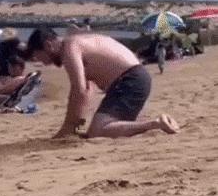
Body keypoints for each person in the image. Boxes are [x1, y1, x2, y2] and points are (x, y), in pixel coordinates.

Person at [26, 28, 180, 139]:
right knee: (104, 126)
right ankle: (148, 125)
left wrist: (67, 127)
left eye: (39, 57)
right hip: (133, 78)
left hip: (130, 80)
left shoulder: (70, 49)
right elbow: (87, 90)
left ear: (48, 45)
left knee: (98, 131)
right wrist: (74, 124)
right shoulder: (79, 41)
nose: (43, 63)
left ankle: (156, 124)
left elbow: (78, 90)